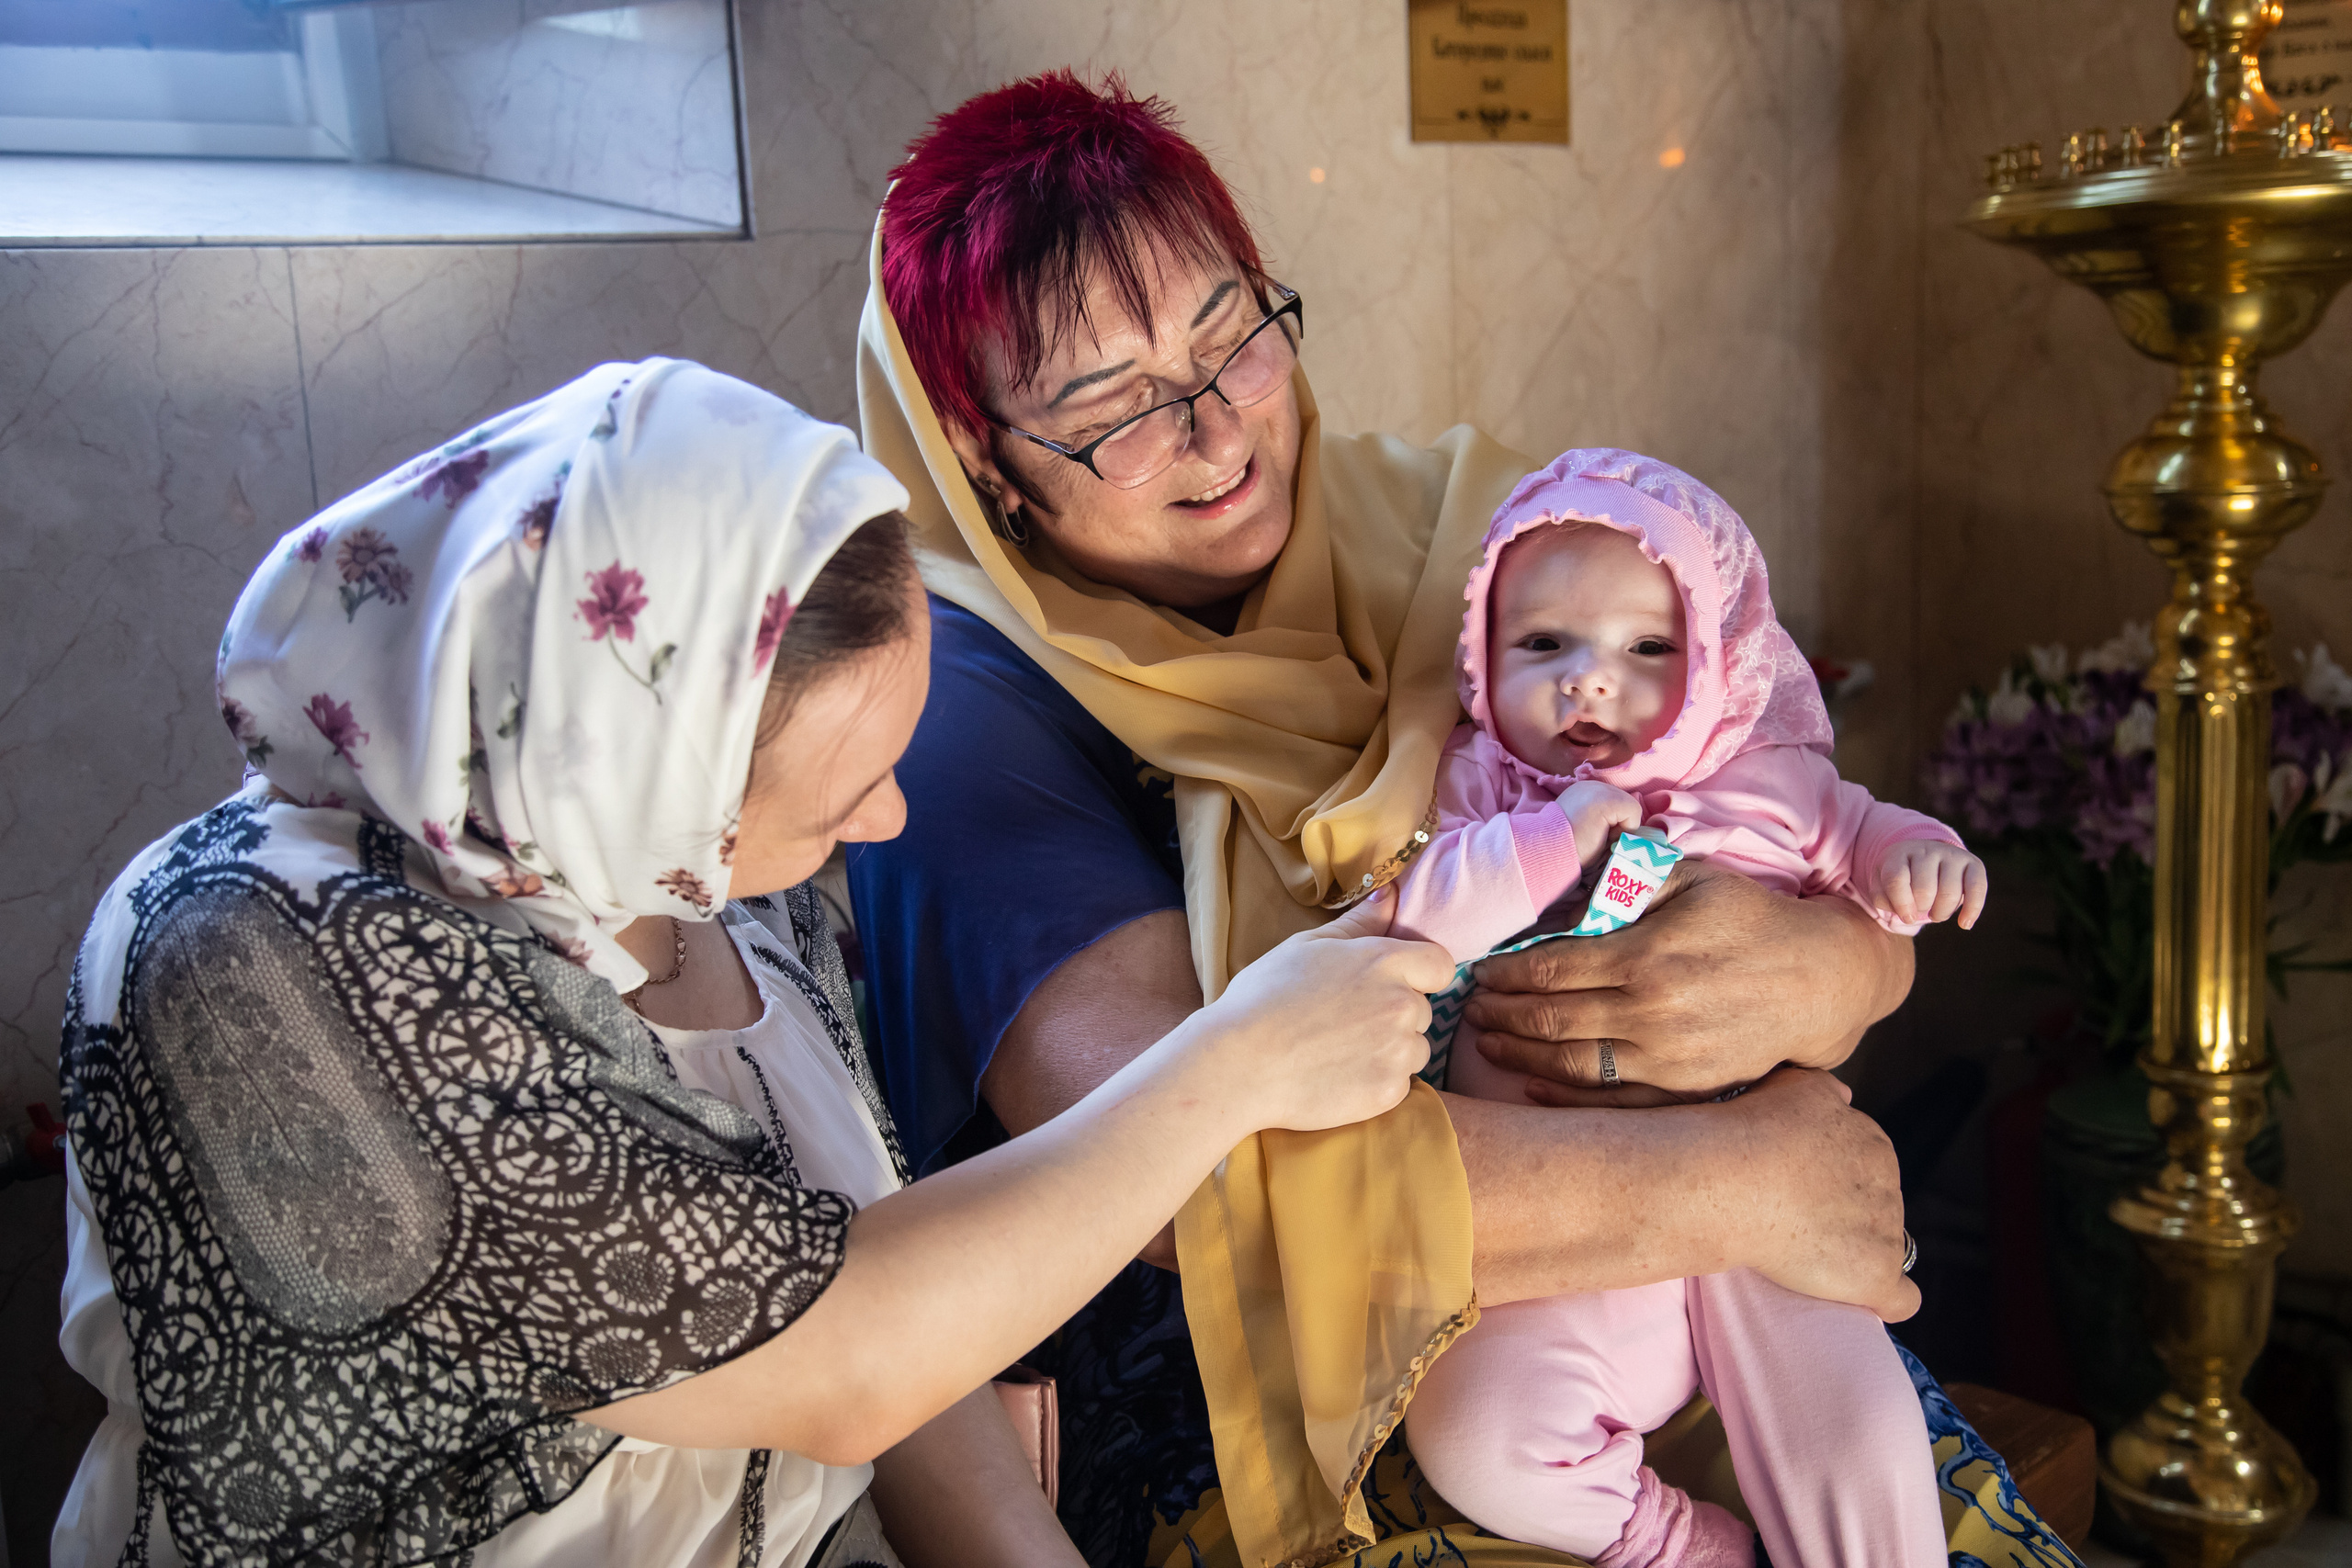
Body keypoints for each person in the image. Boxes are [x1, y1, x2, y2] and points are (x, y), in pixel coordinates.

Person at [848, 71, 2076, 1568]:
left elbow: (1768, 814)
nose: (1215, 429)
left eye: (1229, 332)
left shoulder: (1473, 547)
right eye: (1110, 405)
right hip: (1268, 1393)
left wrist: (1842, 973)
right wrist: (1746, 1175)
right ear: (981, 457)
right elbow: (1193, 1168)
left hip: (1676, 1281)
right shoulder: (963, 710)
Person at [51, 358, 1452, 1567]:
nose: (885, 822)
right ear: (624, 767)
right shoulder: (259, 962)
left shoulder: (686, 878)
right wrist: (1239, 1059)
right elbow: (843, 1350)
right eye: (838, 791)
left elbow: (898, 1315)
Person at [1390, 449, 1989, 1568]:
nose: (1589, 682)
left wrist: (1923, 865)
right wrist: (1550, 836)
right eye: (1541, 647)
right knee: (1479, 1437)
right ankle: (1678, 1548)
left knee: (1862, 1447)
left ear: (1716, 655)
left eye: (1645, 649)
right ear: (1479, 658)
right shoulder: (1479, 788)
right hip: (1564, 1226)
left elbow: (1865, 837)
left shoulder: (1770, 781)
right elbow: (1414, 909)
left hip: (1767, 1200)